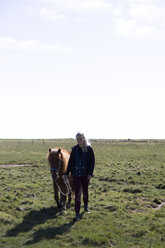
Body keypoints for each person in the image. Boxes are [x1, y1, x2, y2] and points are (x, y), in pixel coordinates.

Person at [65, 132, 95, 221]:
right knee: (77, 194)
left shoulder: (89, 149)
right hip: (76, 175)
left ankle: (86, 206)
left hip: (86, 175)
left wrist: (90, 173)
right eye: (77, 139)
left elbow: (92, 162)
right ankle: (77, 213)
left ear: (83, 138)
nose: (79, 140)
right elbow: (71, 162)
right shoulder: (74, 149)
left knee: (85, 192)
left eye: (80, 138)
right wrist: (67, 173)